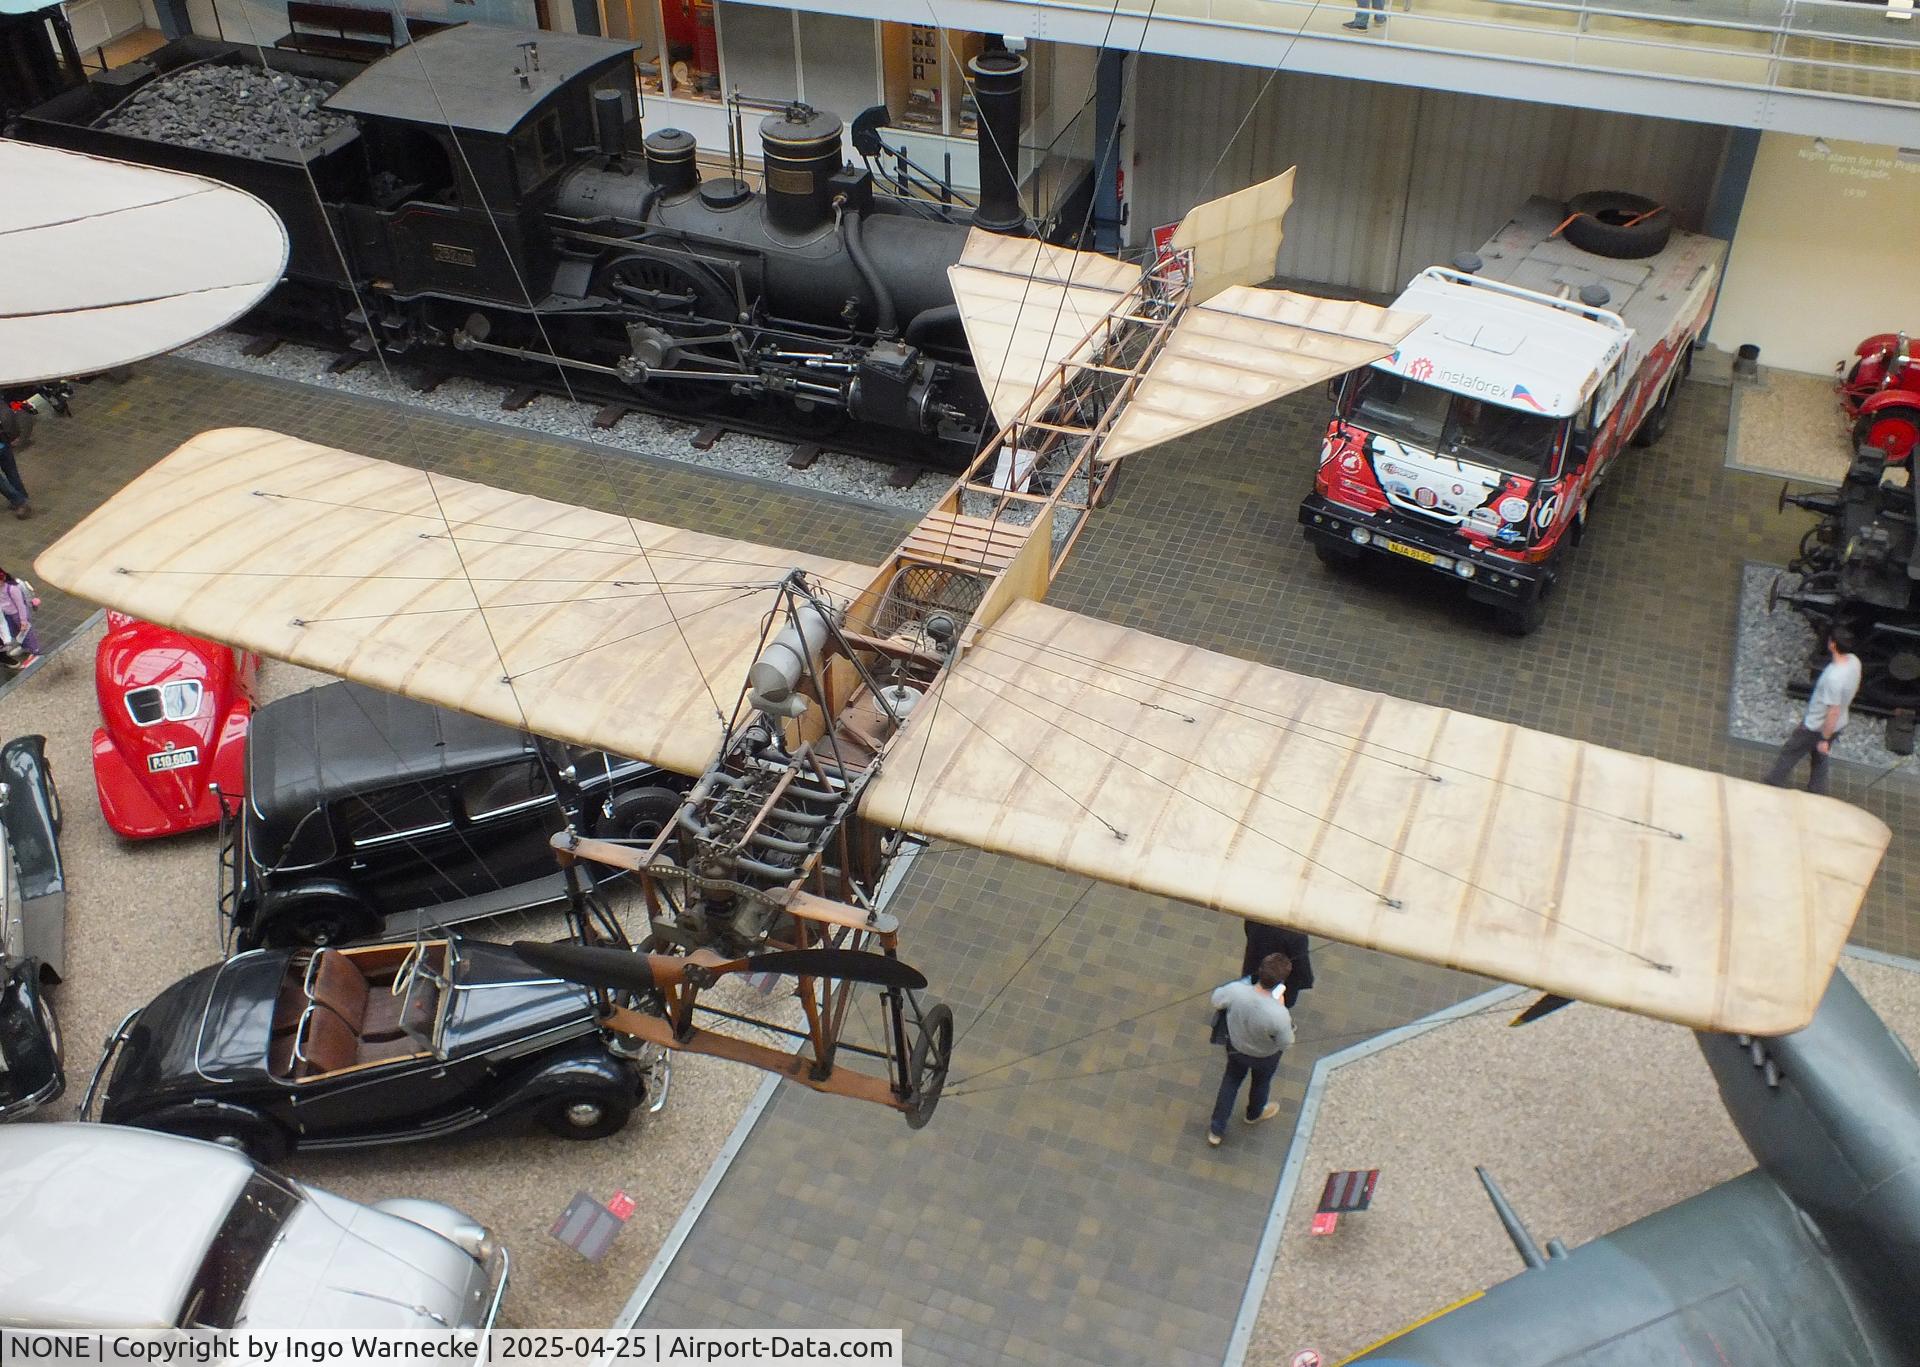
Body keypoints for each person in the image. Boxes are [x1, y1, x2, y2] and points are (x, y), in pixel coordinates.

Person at [1207, 952, 1295, 1147]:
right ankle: (1254, 1113)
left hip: (1236, 1047)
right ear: (1280, 983)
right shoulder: (1279, 1014)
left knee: (1230, 1082)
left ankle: (1216, 1129)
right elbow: (1286, 1043)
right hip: (1265, 1056)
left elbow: (1216, 999)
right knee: (1261, 1082)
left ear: (1260, 970)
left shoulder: (1236, 991)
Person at [1765, 624, 1860, 796]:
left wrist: (1824, 737)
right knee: (1819, 757)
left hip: (1817, 726)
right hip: (1838, 724)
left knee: (1791, 751)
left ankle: (1773, 781)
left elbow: (1833, 711)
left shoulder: (1834, 678)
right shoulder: (1854, 662)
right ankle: (1817, 791)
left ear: (1832, 645)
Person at [1243, 920, 1314, 1009]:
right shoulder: (1296, 935)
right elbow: (1301, 966)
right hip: (1278, 984)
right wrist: (1306, 980)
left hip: (1252, 971)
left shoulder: (1256, 917)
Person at [0, 569, 42, 664]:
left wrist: (23, 621)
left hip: (17, 614)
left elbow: (21, 605)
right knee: (15, 633)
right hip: (6, 614)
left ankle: (35, 651)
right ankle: (24, 647)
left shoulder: (12, 588)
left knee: (26, 633)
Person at [0, 404, 30, 520]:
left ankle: (20, 501)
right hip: (4, 444)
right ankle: (22, 496)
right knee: (11, 472)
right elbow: (7, 413)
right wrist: (13, 436)